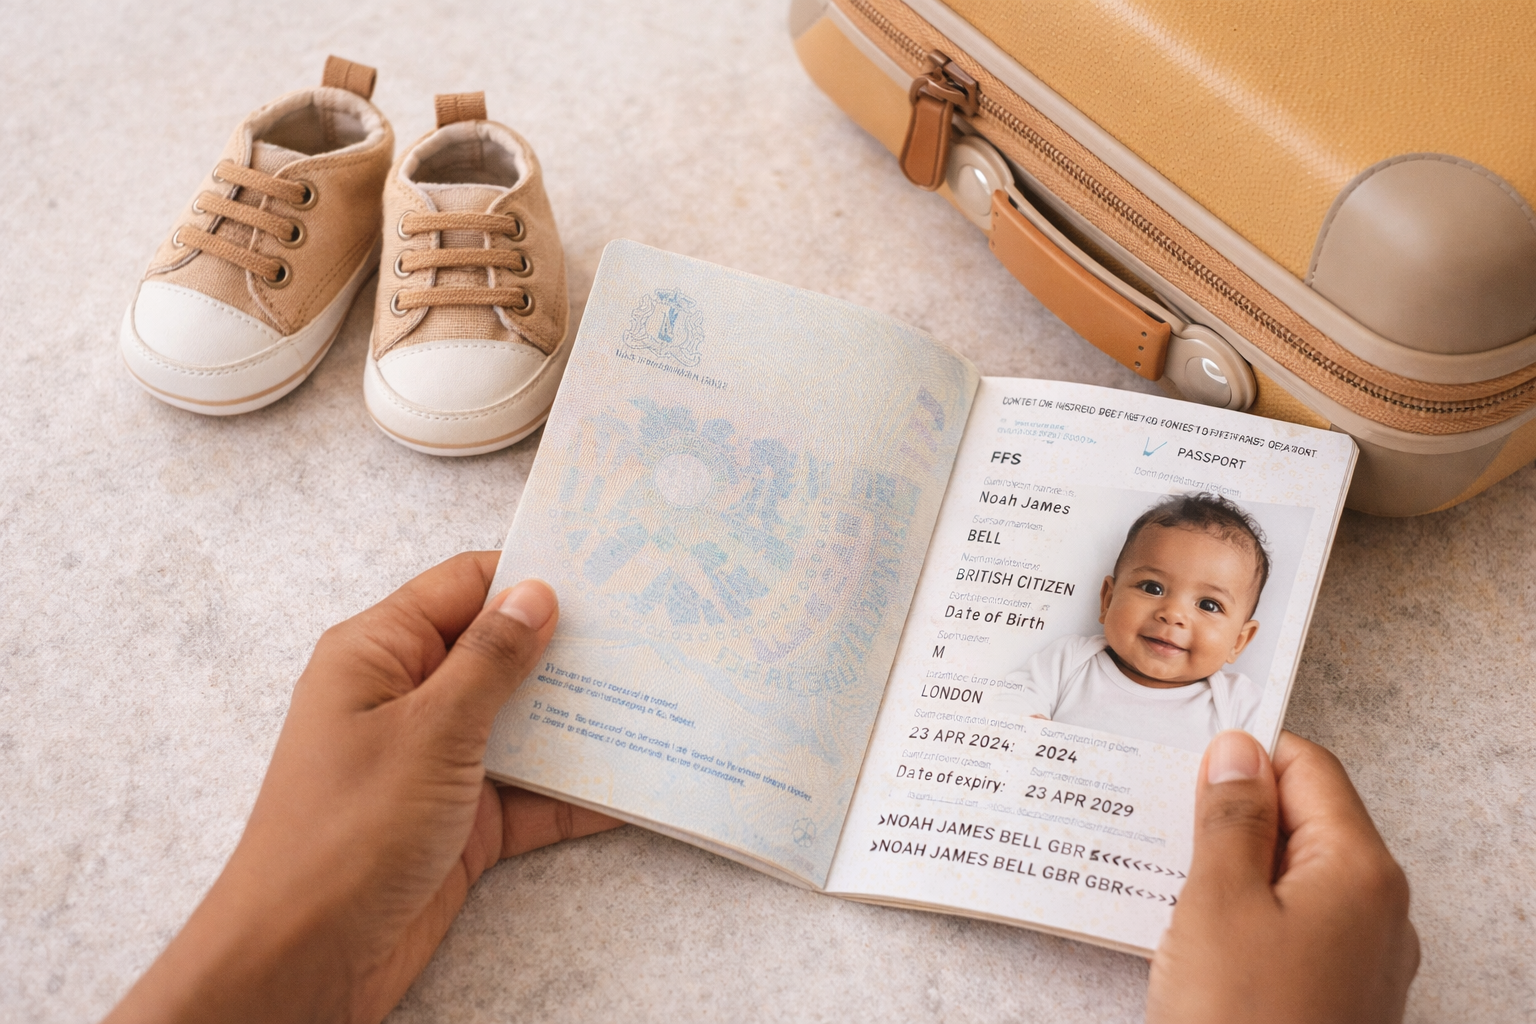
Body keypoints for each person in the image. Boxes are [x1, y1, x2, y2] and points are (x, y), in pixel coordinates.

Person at [103, 552, 1419, 1023]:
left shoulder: (1213, 718)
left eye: (1206, 605)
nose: (1171, 621)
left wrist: (297, 943)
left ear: (1248, 638)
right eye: (1147, 587)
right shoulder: (1064, 669)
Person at [1008, 493, 1269, 752]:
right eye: (1152, 588)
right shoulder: (1071, 660)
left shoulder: (1238, 703)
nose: (1173, 614)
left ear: (1238, 641)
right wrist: (1025, 724)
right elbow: (1013, 698)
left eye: (1208, 605)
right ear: (1108, 600)